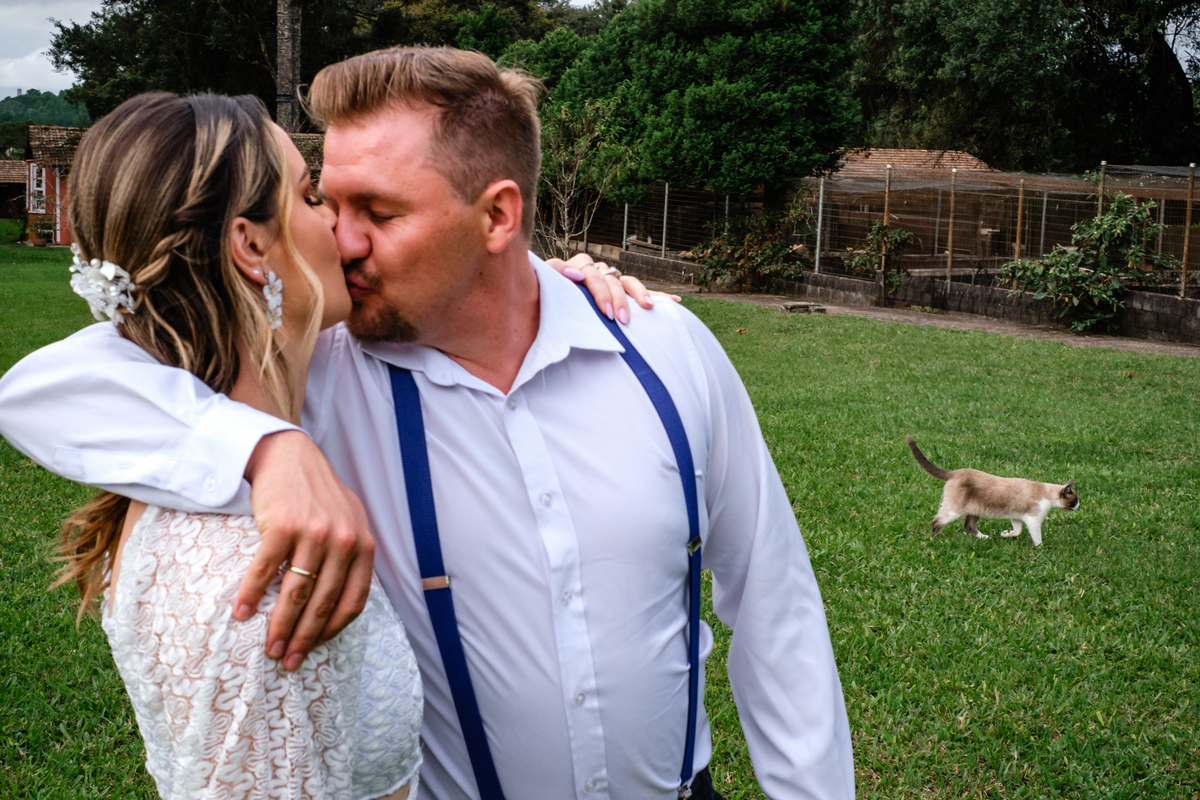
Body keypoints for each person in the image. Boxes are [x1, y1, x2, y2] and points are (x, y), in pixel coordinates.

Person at [0, 48, 855, 799]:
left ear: (497, 216)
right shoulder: (319, 373)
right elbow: (44, 388)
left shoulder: (662, 348)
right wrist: (265, 447)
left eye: (379, 211)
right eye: (327, 203)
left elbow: (776, 609)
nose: (341, 238)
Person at [50, 91, 423, 799]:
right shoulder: (265, 569)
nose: (340, 229)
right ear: (251, 247)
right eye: (312, 198)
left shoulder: (187, 472)